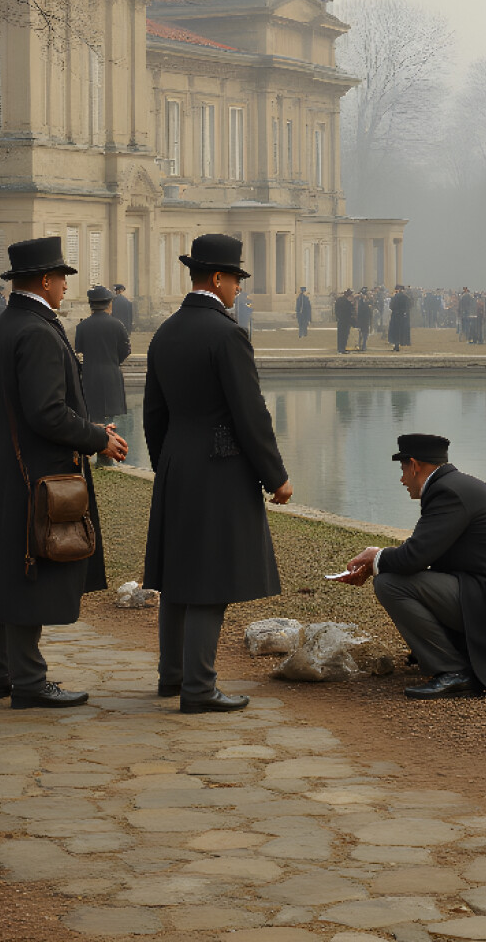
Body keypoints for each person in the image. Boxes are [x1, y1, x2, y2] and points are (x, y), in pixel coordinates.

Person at [0, 236, 127, 710]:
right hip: (33, 471)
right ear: (47, 280)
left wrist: (90, 428)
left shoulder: (0, 328)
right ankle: (29, 682)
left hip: (2, 462)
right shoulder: (36, 331)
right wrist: (98, 438)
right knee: (25, 571)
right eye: (62, 280)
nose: (65, 289)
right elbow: (48, 414)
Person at [142, 233, 293, 712]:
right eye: (236, 281)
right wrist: (276, 476)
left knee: (178, 574)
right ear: (219, 278)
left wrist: (168, 459)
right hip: (219, 467)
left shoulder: (165, 332)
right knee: (209, 578)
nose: (238, 291)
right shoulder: (228, 334)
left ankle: (173, 675)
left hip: (176, 462)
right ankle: (199, 688)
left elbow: (153, 414)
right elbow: (251, 414)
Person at [338, 433, 486, 700]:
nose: (402, 480)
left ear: (413, 465)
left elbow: (413, 557)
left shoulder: (447, 492)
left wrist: (374, 557)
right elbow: (424, 553)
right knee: (398, 575)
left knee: (390, 583)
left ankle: (453, 671)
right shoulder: (458, 486)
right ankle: (456, 659)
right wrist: (380, 558)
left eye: (402, 470)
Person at [74, 285, 131, 454]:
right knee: (110, 416)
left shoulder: (82, 326)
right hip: (111, 373)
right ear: (109, 305)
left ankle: (96, 449)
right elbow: (126, 350)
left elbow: (79, 349)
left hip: (90, 373)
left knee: (93, 414)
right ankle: (109, 454)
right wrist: (114, 361)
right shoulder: (117, 325)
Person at [388, 284, 412, 352]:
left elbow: (391, 307)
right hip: (403, 317)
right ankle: (403, 343)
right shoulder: (406, 297)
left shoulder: (395, 297)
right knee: (402, 331)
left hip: (395, 316)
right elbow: (408, 307)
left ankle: (396, 344)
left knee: (395, 332)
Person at [335, 289, 355, 354]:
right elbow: (349, 312)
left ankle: (340, 348)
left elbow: (336, 310)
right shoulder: (347, 302)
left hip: (340, 320)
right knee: (344, 336)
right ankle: (342, 349)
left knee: (340, 335)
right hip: (345, 321)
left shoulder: (339, 300)